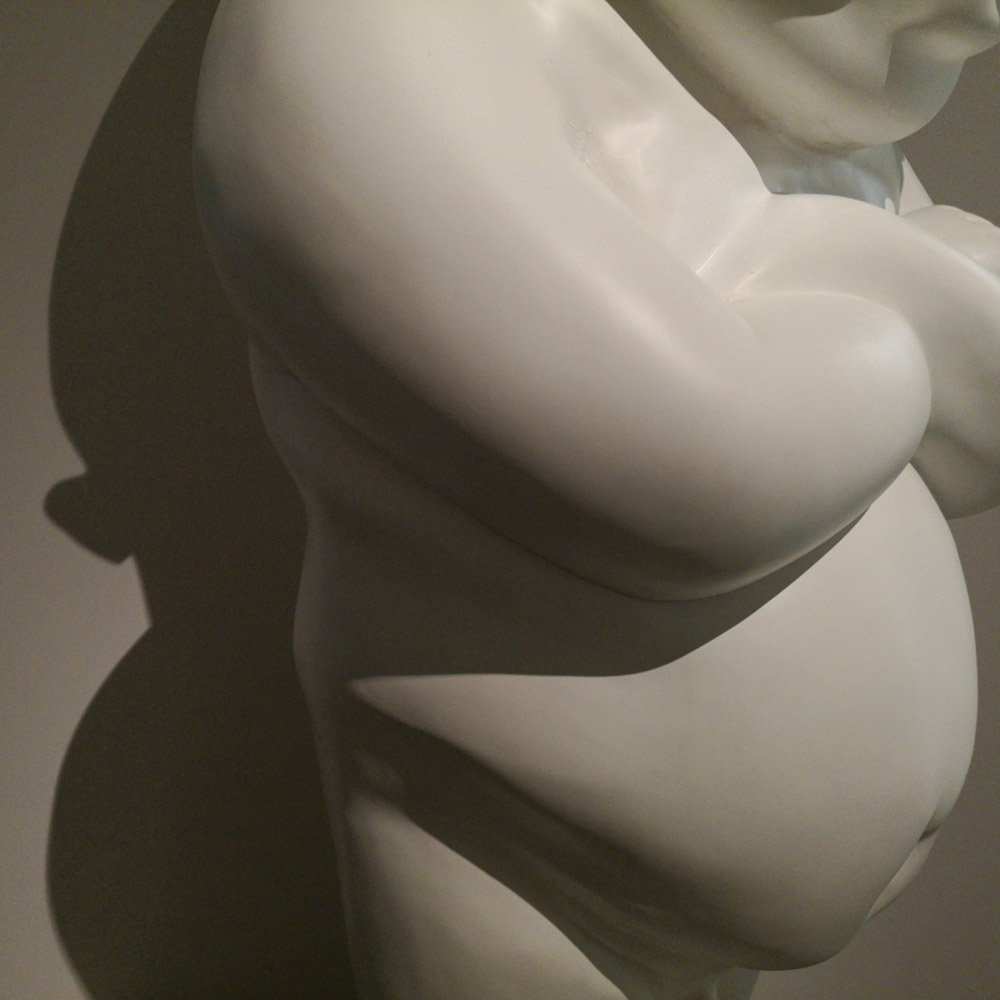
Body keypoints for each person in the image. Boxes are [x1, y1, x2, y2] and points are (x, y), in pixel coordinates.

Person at [194, 2, 1000, 997]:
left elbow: (981, 430)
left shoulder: (789, 102)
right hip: (514, 854)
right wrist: (905, 284)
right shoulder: (383, 26)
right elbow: (710, 465)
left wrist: (805, 282)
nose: (979, 19)